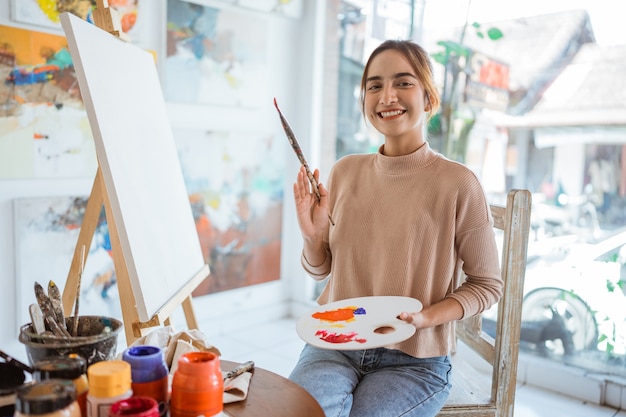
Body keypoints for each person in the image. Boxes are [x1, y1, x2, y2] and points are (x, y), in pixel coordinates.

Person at [288, 39, 503, 417]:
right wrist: (312, 236)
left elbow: (488, 285)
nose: (387, 95)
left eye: (403, 83)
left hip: (415, 361)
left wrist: (426, 318)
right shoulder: (344, 171)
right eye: (374, 85)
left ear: (429, 98)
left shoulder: (459, 183)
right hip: (334, 344)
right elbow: (323, 268)